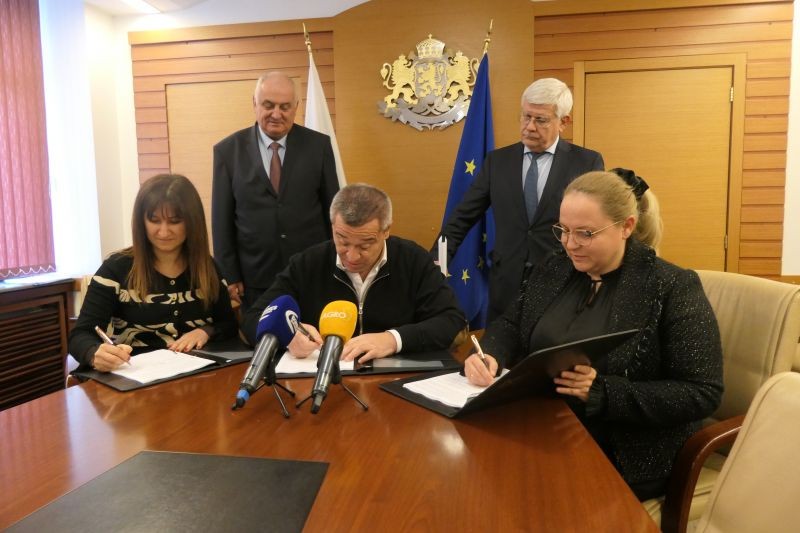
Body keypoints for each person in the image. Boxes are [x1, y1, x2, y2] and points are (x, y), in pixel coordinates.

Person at [463, 169, 724, 500]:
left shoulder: (670, 286)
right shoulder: (555, 267)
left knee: (519, 493)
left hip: (624, 446)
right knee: (473, 471)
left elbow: (702, 392)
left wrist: (604, 392)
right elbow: (512, 323)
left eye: (585, 234)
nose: (570, 244)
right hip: (544, 422)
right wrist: (488, 353)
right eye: (563, 230)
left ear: (626, 227)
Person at [436, 78, 604, 320]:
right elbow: (462, 218)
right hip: (506, 286)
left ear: (563, 122)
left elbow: (594, 227)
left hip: (563, 286)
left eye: (541, 120)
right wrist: (437, 261)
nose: (530, 127)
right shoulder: (497, 162)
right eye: (526, 116)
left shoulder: (586, 162)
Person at [242, 183, 466, 363]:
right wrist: (287, 336)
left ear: (386, 231)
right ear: (333, 227)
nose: (352, 256)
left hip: (395, 379)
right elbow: (253, 318)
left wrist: (392, 339)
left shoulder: (413, 260)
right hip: (323, 382)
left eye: (365, 244)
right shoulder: (308, 263)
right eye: (342, 241)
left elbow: (451, 321)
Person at [69, 174, 238, 372]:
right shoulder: (116, 268)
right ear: (142, 221)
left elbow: (229, 324)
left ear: (192, 222)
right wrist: (93, 353)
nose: (163, 232)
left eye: (175, 221)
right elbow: (80, 335)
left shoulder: (208, 267)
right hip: (136, 377)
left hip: (197, 375)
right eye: (154, 220)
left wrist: (205, 331)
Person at [212, 70, 340, 312]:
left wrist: (334, 263)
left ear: (296, 107)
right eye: (268, 105)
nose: (276, 114)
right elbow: (222, 220)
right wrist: (230, 274)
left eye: (285, 106)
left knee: (312, 334)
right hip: (254, 278)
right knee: (262, 334)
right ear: (255, 103)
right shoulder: (227, 151)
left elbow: (333, 212)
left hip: (311, 271)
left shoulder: (319, 146)